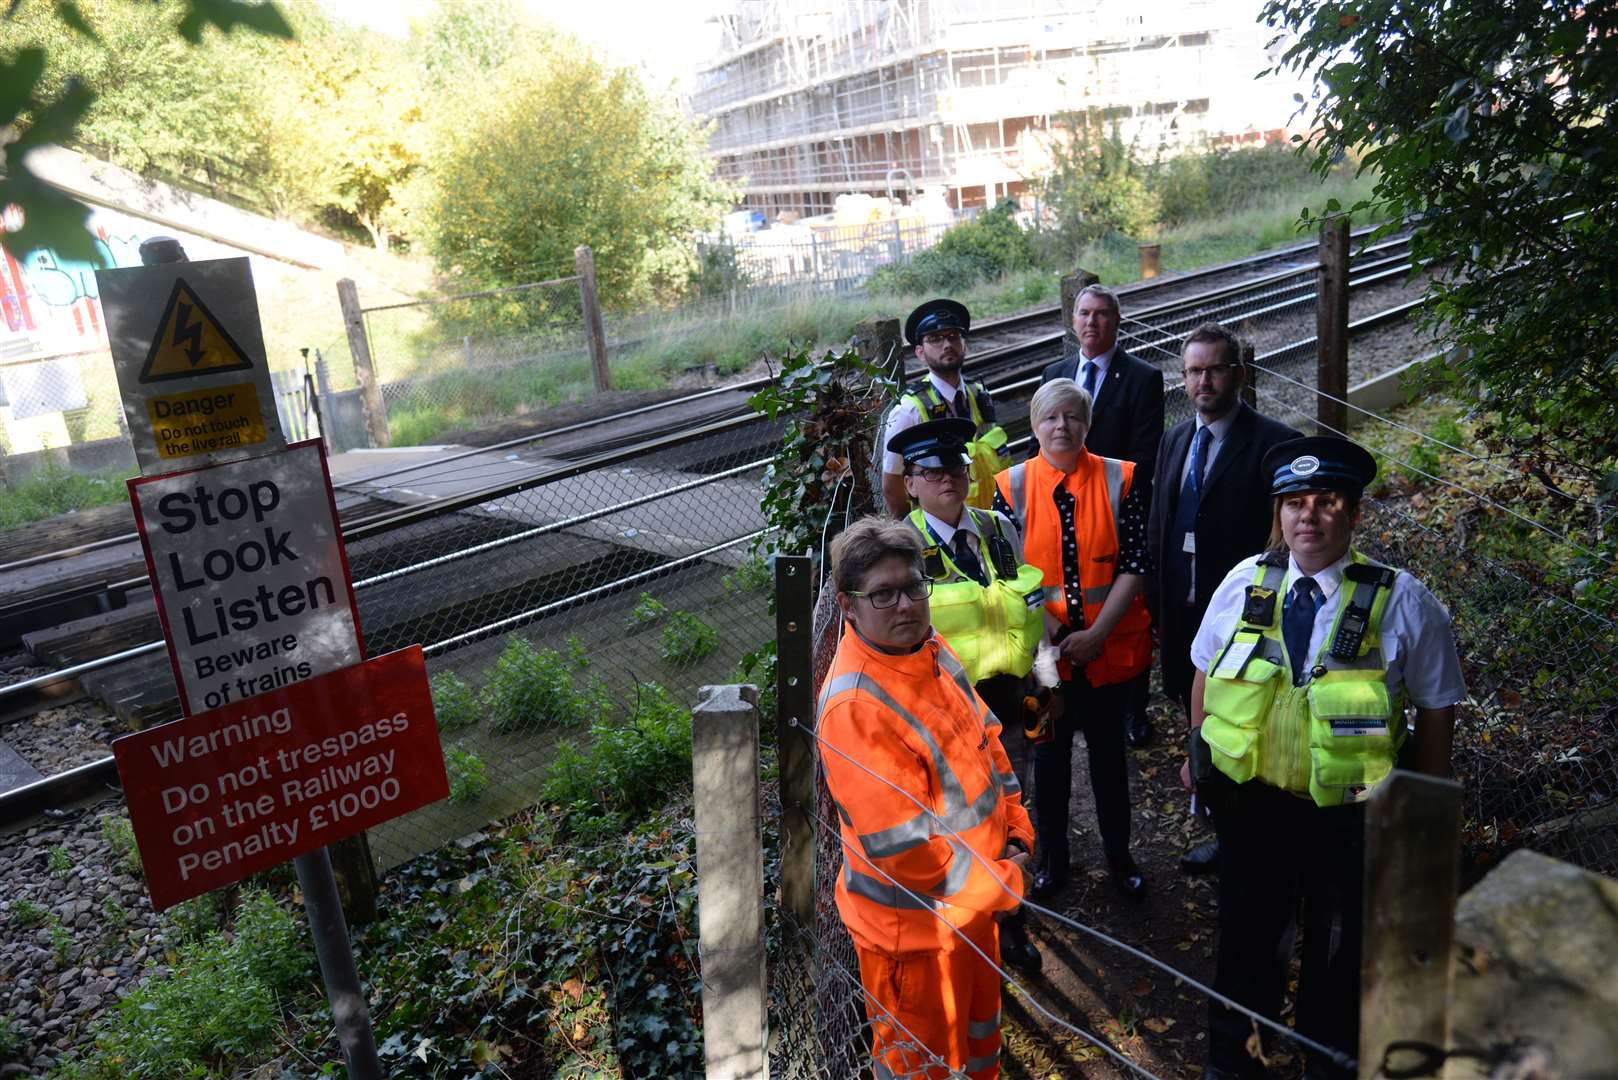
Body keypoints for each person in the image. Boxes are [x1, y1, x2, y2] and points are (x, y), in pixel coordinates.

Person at [1181, 436, 1465, 1080]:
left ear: (1354, 514)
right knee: (1249, 939)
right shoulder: (1243, 582)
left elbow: (1438, 707)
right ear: (1279, 514)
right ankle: (1234, 1061)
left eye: (1327, 502)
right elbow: (1203, 671)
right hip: (1252, 803)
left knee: (1338, 951)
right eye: (1295, 503)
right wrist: (1198, 748)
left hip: (1349, 814)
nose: (1308, 516)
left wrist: (1418, 806)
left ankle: (1326, 1063)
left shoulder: (1404, 601)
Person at [818, 516, 1035, 1080]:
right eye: (883, 595)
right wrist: (1005, 882)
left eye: (914, 587)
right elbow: (906, 850)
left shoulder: (930, 649)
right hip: (914, 943)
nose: (905, 605)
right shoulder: (855, 706)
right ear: (848, 605)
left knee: (980, 1044)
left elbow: (987, 740)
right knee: (924, 1069)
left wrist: (1016, 828)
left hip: (973, 910)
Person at [890, 416, 1050, 972]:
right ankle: (967, 927)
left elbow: (1032, 611)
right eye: (931, 473)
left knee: (1010, 814)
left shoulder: (999, 529)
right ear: (909, 482)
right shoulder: (901, 550)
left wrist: (1045, 687)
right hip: (943, 711)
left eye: (955, 468)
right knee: (957, 821)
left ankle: (1012, 925)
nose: (947, 480)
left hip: (1008, 699)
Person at [1146, 323, 1300, 874]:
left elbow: (1284, 538)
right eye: (1193, 371)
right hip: (1183, 610)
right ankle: (1214, 813)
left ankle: (1245, 838)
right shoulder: (1175, 439)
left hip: (1245, 619)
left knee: (1244, 719)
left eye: (1213, 369)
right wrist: (1155, 602)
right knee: (1197, 718)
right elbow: (1161, 524)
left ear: (1237, 373)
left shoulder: (1273, 442)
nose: (1202, 381)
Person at [994, 378, 1153, 901]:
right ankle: (1052, 860)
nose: (1062, 427)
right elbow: (1007, 575)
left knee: (1109, 757)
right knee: (1048, 756)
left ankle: (1119, 857)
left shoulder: (1122, 478)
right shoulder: (1008, 487)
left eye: (1072, 417)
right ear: (1035, 426)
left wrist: (1096, 633)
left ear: (1087, 423)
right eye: (1050, 418)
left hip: (1105, 653)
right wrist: (1057, 636)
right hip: (1043, 659)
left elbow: (1134, 562)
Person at [1040, 285, 1164, 748]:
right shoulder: (1055, 372)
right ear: (1072, 322)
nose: (1092, 322)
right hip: (1062, 509)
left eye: (1102, 314)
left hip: (1117, 509)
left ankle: (1133, 709)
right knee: (1071, 604)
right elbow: (1046, 441)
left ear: (1117, 321)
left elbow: (1144, 453)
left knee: (1126, 611)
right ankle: (1068, 694)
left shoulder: (1142, 377)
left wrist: (1100, 487)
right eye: (1084, 314)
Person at [881, 298, 1010, 516]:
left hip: (990, 523)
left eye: (953, 336)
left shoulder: (979, 394)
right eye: (935, 339)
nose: (947, 344)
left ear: (964, 345)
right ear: (920, 353)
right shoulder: (909, 410)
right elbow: (892, 487)